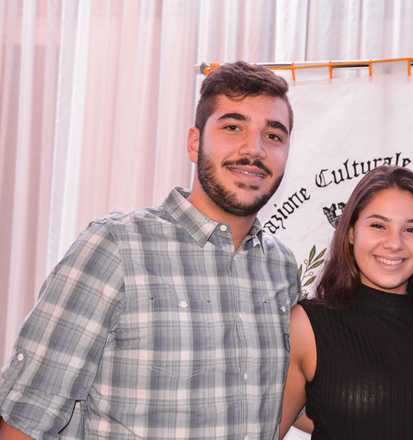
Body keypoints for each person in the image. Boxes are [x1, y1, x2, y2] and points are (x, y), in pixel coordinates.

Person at [0, 61, 300, 439]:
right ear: (194, 143)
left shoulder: (280, 268)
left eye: (273, 135)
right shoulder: (116, 247)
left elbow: (301, 396)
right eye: (232, 127)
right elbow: (26, 422)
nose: (253, 149)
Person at [279, 166, 413, 440]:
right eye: (378, 225)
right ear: (351, 232)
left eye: (412, 229)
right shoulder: (307, 326)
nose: (394, 243)